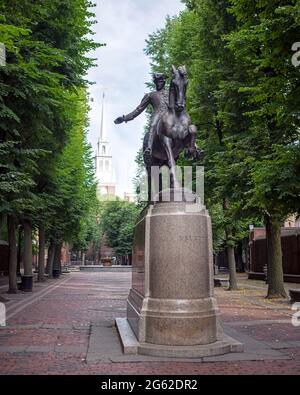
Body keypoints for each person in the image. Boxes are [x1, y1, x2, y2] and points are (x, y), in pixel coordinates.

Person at [114, 73, 168, 161]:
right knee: (153, 125)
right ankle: (149, 148)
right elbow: (138, 109)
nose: (159, 83)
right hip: (158, 116)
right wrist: (125, 118)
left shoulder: (170, 94)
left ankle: (193, 147)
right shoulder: (150, 95)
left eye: (161, 81)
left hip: (170, 117)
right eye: (157, 82)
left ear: (164, 82)